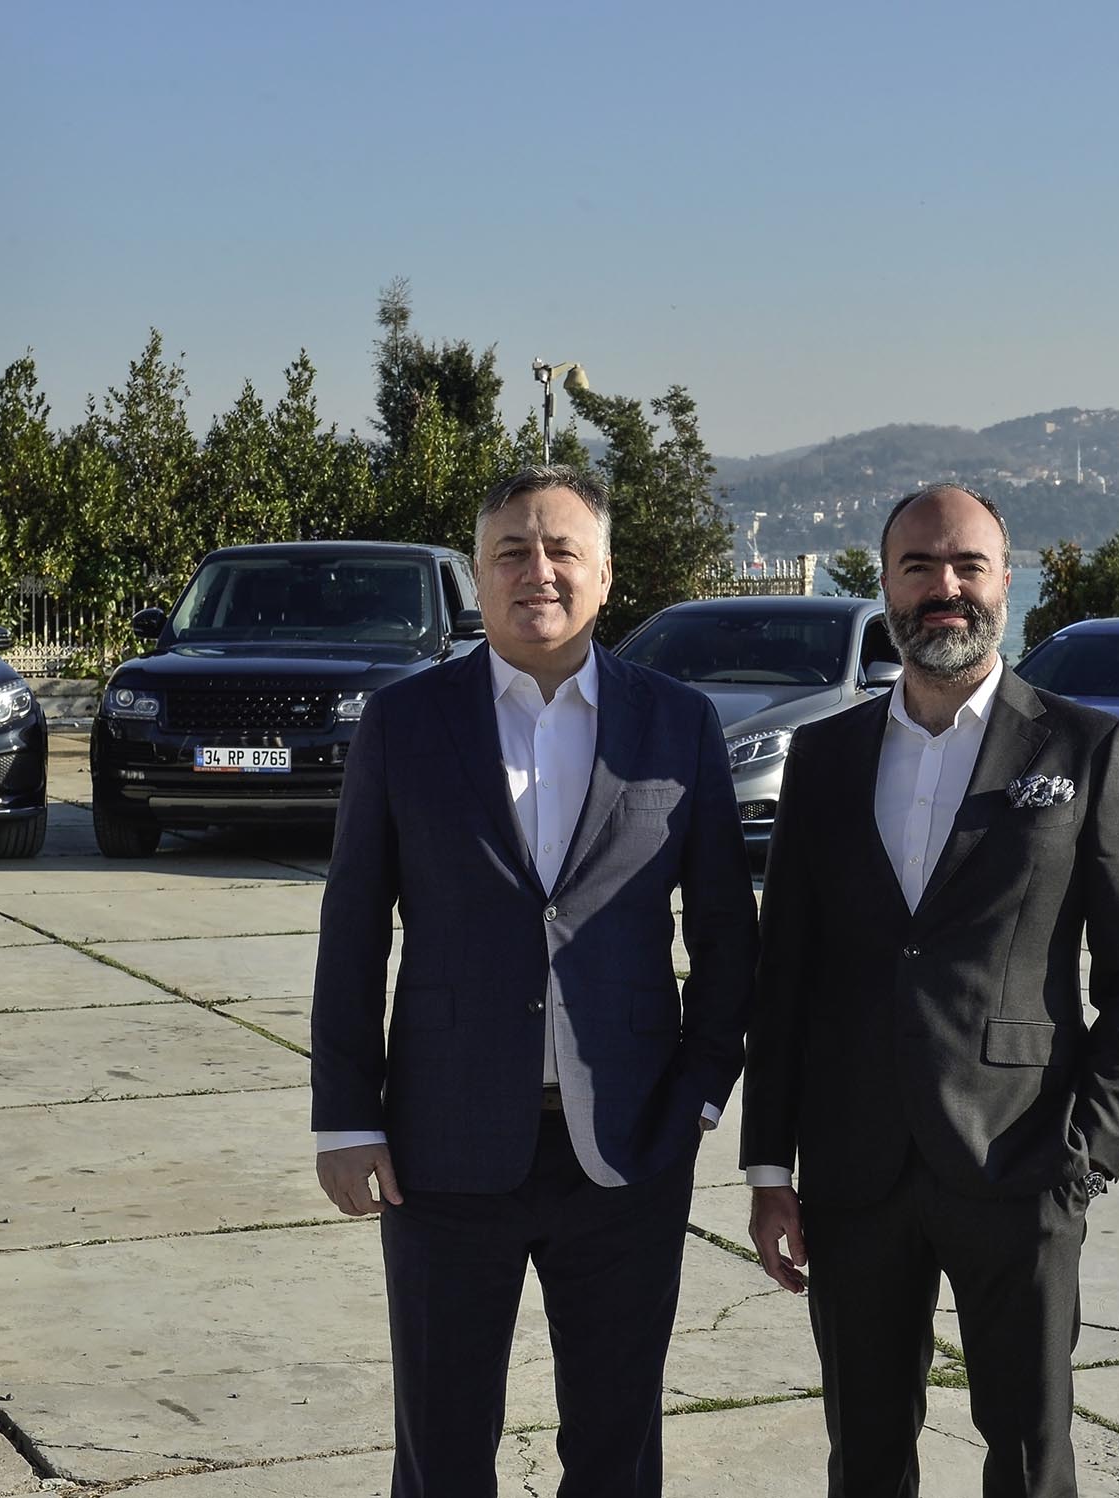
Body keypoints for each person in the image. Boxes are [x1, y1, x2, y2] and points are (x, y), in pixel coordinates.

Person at [311, 465, 758, 1498]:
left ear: (606, 574)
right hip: (440, 1148)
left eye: (562, 550)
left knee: (616, 1451)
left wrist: (698, 1096)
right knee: (442, 1449)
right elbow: (353, 927)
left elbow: (728, 936)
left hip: (629, 1148)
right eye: (511, 551)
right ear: (477, 575)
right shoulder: (404, 722)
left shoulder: (677, 722)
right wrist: (346, 1115)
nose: (538, 571)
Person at [740, 483, 1119, 1497]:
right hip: (852, 1175)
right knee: (864, 1458)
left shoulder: (1085, 748)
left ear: (1005, 581)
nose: (945, 587)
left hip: (1022, 1166)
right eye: (919, 567)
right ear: (885, 585)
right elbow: (785, 971)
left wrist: (1087, 1157)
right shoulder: (825, 755)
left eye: (968, 564)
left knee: (1028, 1459)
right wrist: (769, 1166)